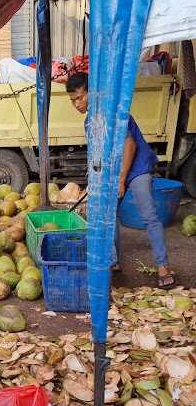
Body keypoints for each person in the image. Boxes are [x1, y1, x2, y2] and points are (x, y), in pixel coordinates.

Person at [66, 72, 175, 288]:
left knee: (149, 215)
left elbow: (130, 145)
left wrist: (122, 179)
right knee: (109, 215)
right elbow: (98, 153)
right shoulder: (89, 122)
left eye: (79, 98)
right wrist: (95, 176)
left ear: (92, 94)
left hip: (137, 167)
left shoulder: (113, 112)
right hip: (115, 172)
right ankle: (114, 262)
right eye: (72, 100)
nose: (76, 104)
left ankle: (163, 266)